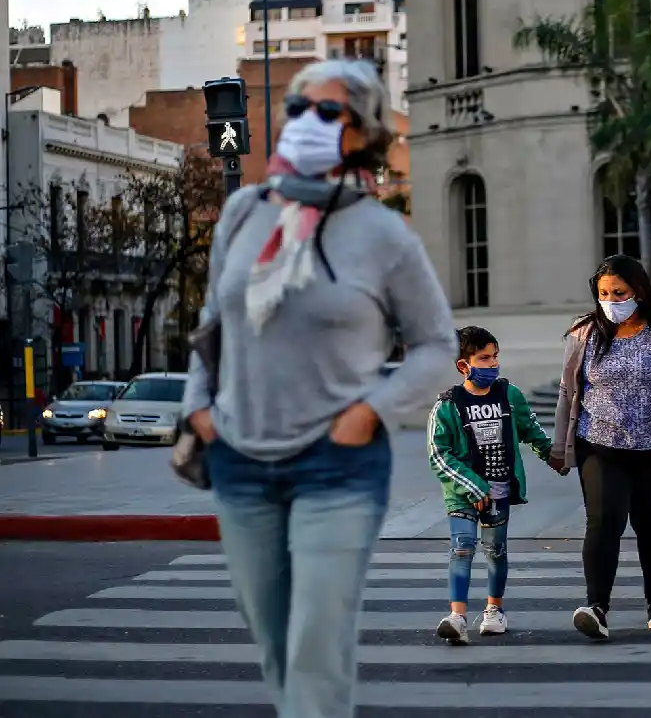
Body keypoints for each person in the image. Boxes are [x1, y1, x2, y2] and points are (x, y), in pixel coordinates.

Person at [182, 59, 457, 718]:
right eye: (300, 107)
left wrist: (372, 411)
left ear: (359, 132)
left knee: (315, 648)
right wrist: (198, 408)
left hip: (336, 467)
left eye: (328, 113)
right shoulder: (245, 211)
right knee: (277, 646)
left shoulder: (382, 234)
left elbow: (438, 346)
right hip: (239, 462)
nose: (307, 122)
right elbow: (213, 323)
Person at [550, 254, 651, 640]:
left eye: (620, 292)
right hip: (598, 444)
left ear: (640, 291)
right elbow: (569, 390)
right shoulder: (584, 332)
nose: (611, 300)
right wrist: (559, 445)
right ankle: (596, 606)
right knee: (603, 521)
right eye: (603, 293)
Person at [427, 326, 562, 644]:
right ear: (464, 365)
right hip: (462, 494)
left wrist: (555, 457)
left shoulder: (509, 396)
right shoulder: (447, 406)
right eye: (483, 358)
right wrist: (472, 486)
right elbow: (439, 455)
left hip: (499, 490)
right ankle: (457, 616)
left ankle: (494, 609)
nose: (492, 364)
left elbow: (530, 430)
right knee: (462, 548)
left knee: (496, 550)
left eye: (495, 357)